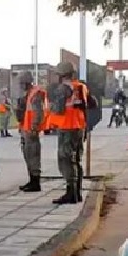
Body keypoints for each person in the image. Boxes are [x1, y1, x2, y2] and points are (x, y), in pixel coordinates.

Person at [47, 61, 89, 204]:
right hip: (79, 127)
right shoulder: (81, 87)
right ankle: (77, 193)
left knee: (65, 160)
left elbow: (58, 109)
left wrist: (50, 107)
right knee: (76, 160)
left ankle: (71, 193)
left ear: (61, 75)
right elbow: (87, 105)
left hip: (67, 128)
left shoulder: (62, 89)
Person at [15, 71, 46, 192]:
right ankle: (32, 180)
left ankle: (35, 182)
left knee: (33, 155)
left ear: (26, 83)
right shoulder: (28, 95)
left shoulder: (35, 94)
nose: (20, 86)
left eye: (21, 83)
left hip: (31, 130)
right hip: (26, 129)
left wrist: (34, 127)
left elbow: (38, 112)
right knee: (28, 155)